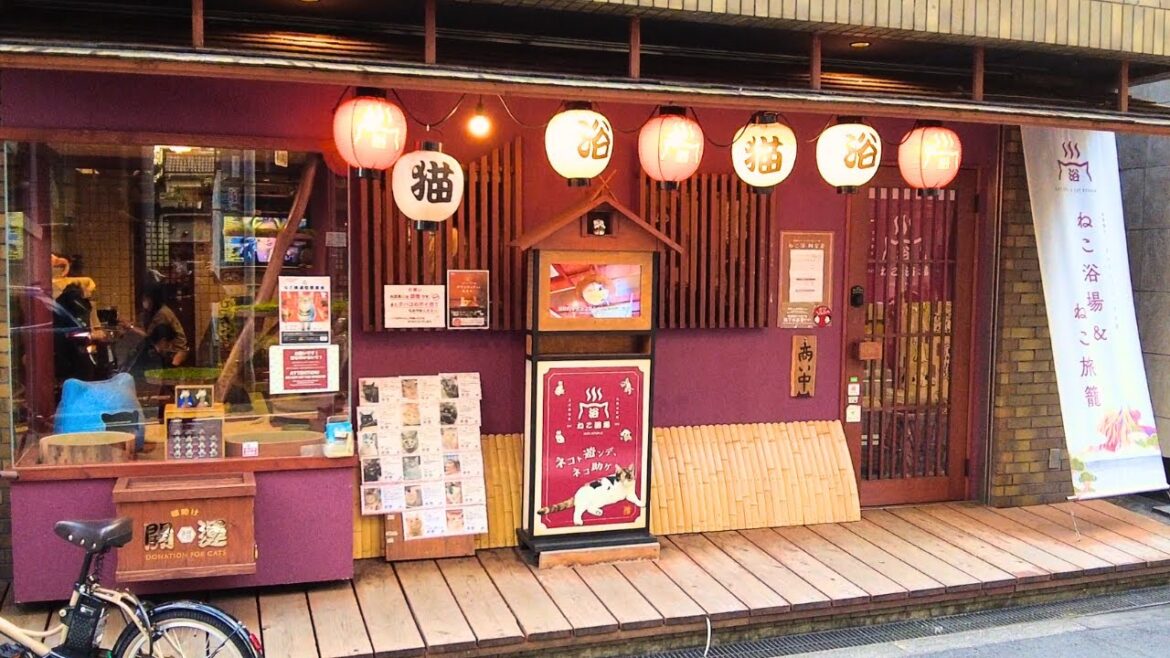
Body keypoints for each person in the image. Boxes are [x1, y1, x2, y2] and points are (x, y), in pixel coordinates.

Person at [121, 284, 188, 368]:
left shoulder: (162, 313)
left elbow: (149, 336)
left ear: (153, 299)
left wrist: (130, 327)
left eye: (145, 299)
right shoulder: (154, 312)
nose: (143, 302)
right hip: (166, 350)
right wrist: (131, 325)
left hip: (174, 352)